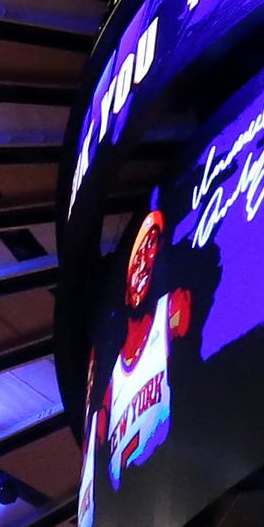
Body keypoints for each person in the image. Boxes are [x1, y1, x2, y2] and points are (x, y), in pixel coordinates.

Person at [97, 209, 197, 490]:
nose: (144, 259)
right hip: (134, 512)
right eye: (140, 249)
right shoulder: (111, 381)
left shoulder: (174, 307)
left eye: (152, 245)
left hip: (177, 481)